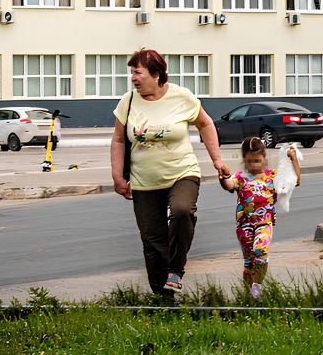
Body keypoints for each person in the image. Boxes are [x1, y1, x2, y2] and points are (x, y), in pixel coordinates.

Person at [111, 49, 230, 296]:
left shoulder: (181, 96)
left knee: (182, 210)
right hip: (143, 180)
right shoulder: (129, 101)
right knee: (152, 241)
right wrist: (117, 176)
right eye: (131, 73)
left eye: (137, 72)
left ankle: (175, 270)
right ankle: (163, 298)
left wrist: (217, 160)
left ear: (156, 74)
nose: (133, 78)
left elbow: (205, 123)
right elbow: (119, 140)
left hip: (182, 172)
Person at [220, 137, 300, 298]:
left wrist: (294, 158)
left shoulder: (272, 176)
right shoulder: (240, 177)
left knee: (260, 251)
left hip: (264, 223)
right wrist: (222, 177)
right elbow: (229, 185)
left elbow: (295, 181)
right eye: (250, 162)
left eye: (257, 160)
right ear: (244, 160)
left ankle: (257, 287)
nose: (254, 166)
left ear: (265, 157)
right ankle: (249, 295)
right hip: (244, 225)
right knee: (249, 261)